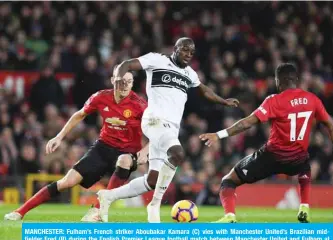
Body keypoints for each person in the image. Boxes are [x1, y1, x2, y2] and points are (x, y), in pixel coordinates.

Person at [97, 37, 239, 223]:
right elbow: (126, 64)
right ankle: (155, 204)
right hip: (154, 120)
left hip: (170, 128)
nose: (188, 54)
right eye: (185, 50)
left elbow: (203, 90)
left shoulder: (190, 73)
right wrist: (117, 80)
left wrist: (223, 101)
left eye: (191, 52)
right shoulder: (157, 60)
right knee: (178, 154)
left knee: (153, 180)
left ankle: (108, 196)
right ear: (175, 48)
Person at [4, 70, 148, 222]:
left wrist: (145, 151)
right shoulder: (101, 97)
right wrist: (59, 137)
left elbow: (161, 131)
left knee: (124, 161)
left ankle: (97, 211)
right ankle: (20, 212)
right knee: (67, 182)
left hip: (128, 152)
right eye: (121, 80)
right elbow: (79, 115)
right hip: (103, 147)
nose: (125, 85)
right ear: (113, 80)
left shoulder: (140, 105)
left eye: (129, 81)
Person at [199, 63, 333, 223]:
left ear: (278, 81)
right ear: (296, 80)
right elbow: (330, 124)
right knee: (305, 165)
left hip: (271, 157)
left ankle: (230, 216)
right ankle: (304, 207)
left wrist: (218, 135)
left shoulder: (274, 100)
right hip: (297, 158)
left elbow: (246, 123)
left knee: (228, 180)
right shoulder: (313, 99)